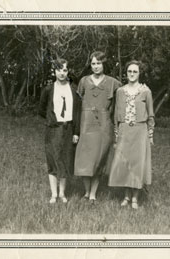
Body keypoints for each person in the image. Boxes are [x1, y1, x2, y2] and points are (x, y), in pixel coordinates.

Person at [74, 51, 122, 204]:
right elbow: (77, 103)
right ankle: (86, 192)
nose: (96, 66)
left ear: (104, 64)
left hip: (103, 125)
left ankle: (93, 194)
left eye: (99, 63)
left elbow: (124, 97)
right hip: (86, 123)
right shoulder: (83, 81)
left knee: (98, 160)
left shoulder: (113, 83)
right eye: (93, 63)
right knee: (84, 159)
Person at [108, 60, 155, 210]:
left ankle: (135, 198)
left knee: (137, 164)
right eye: (129, 71)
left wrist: (150, 134)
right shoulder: (120, 91)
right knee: (125, 163)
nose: (132, 74)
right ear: (126, 73)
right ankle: (126, 196)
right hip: (124, 131)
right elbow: (116, 115)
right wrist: (116, 134)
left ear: (139, 73)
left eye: (135, 71)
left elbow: (151, 115)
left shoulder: (146, 92)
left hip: (140, 131)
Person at [39, 58, 81, 204]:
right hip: (53, 129)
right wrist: (52, 120)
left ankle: (62, 193)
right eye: (58, 70)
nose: (61, 73)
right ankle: (53, 194)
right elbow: (41, 109)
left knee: (65, 159)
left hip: (68, 128)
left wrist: (76, 132)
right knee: (52, 159)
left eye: (64, 70)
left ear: (68, 71)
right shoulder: (49, 89)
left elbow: (77, 113)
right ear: (54, 72)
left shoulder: (74, 89)